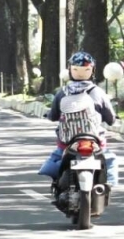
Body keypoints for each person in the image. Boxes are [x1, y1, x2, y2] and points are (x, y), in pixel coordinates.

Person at [39, 50, 119, 190]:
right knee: (110, 160)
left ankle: (56, 183)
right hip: (94, 140)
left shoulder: (62, 92)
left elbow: (53, 115)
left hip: (67, 141)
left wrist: (50, 116)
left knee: (56, 158)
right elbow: (110, 117)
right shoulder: (97, 92)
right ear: (92, 70)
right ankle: (109, 185)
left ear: (70, 70)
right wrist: (113, 120)